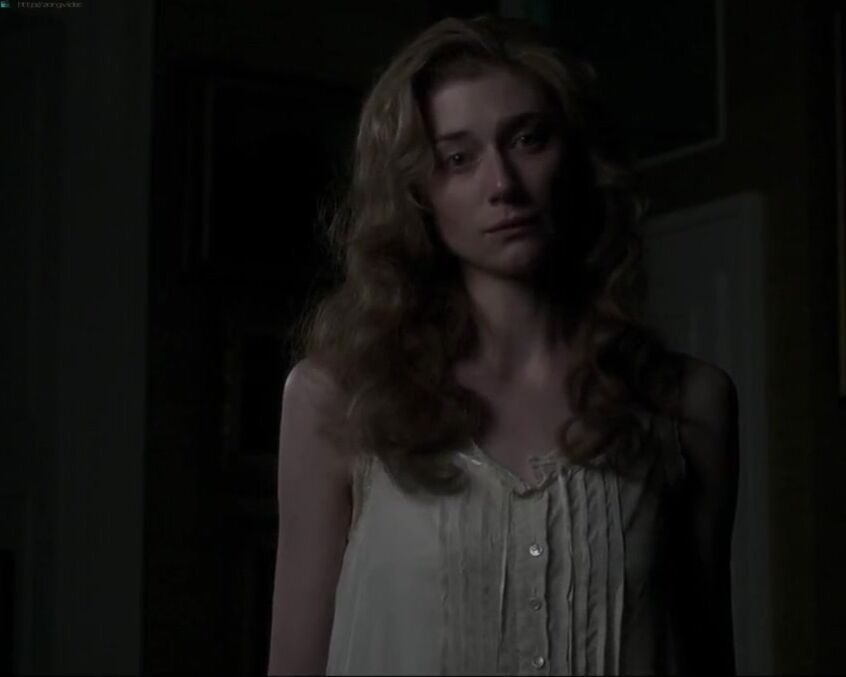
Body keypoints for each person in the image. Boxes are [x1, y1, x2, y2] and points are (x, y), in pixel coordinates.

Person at [267, 14, 739, 677]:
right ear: (418, 193)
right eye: (458, 158)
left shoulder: (688, 403)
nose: (503, 185)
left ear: (578, 159)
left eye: (528, 139)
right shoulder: (336, 399)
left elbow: (708, 650)